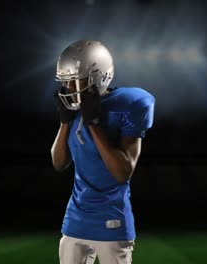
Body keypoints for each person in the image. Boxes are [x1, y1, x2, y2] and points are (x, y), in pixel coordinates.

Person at [50, 40, 155, 264]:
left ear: (98, 76)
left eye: (74, 81)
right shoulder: (75, 109)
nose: (69, 89)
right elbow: (59, 164)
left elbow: (122, 173)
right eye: (66, 82)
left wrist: (94, 125)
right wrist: (64, 123)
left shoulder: (128, 104)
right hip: (75, 219)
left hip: (111, 221)